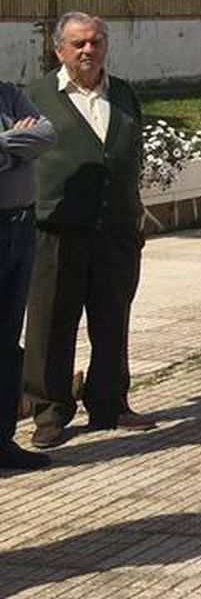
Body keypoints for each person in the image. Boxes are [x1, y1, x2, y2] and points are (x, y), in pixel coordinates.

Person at [22, 13, 155, 447]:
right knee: (52, 320)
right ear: (59, 49)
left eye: (95, 42)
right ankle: (50, 410)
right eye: (78, 43)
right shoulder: (37, 96)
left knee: (112, 318)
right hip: (57, 229)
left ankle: (109, 402)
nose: (88, 50)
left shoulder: (123, 93)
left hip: (115, 228)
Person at [1, 80, 55, 470]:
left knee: (7, 341)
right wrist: (17, 147)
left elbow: (47, 132)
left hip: (20, 228)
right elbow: (31, 141)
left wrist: (3, 148)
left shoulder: (7, 92)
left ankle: (2, 441)